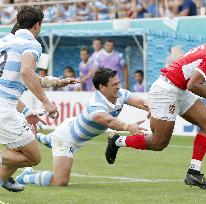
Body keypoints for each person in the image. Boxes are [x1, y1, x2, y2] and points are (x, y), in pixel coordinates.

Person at [105, 28, 206, 190]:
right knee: (159, 143)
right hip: (167, 90)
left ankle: (193, 173)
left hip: (180, 90)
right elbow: (193, 85)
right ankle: (117, 141)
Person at [16, 68, 149, 187]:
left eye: (118, 82)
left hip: (73, 128)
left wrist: (152, 107)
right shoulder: (95, 105)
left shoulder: (120, 94)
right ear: (102, 87)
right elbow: (108, 121)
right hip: (67, 140)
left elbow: (141, 102)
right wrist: (128, 126)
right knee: (60, 182)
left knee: (54, 139)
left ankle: (42, 138)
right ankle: (26, 177)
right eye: (114, 84)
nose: (118, 87)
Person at [0, 6, 79, 192]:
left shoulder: (4, 41)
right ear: (37, 25)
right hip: (4, 108)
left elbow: (23, 76)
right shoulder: (32, 44)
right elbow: (26, 72)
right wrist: (46, 102)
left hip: (6, 104)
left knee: (21, 151)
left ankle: (4, 178)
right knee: (33, 157)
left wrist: (57, 82)